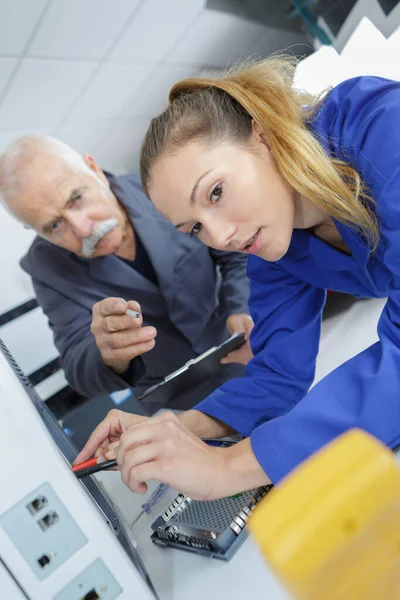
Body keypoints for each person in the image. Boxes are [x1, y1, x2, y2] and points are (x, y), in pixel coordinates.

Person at [75, 56, 400, 501]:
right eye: (195, 228)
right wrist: (176, 431)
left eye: (216, 192)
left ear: (261, 136)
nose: (221, 235)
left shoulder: (383, 129)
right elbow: (277, 375)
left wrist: (229, 467)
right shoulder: (272, 250)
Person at [0, 135, 253, 414]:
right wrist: (108, 355)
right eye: (54, 225)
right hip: (178, 395)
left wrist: (239, 305)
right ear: (35, 231)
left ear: (93, 169)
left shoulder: (157, 188)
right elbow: (77, 368)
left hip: (239, 348)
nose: (82, 229)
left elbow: (232, 253)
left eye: (77, 199)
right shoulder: (45, 267)